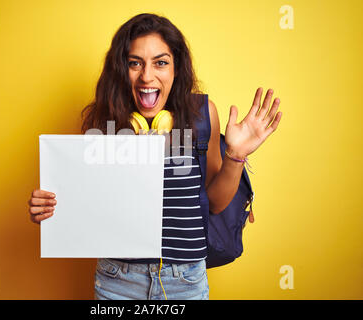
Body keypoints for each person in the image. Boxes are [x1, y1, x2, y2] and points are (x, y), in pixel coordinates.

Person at [27, 13, 282, 300]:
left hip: (186, 280)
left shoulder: (202, 114)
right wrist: (50, 210)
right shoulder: (105, 121)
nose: (147, 76)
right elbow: (90, 206)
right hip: (117, 280)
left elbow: (215, 203)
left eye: (160, 62)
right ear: (121, 69)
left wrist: (236, 155)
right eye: (135, 63)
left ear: (176, 69)